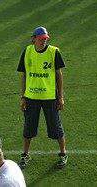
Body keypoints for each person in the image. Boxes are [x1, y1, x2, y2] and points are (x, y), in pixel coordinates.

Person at [18, 26, 67, 169]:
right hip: (31, 97)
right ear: (34, 39)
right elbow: (23, 75)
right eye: (40, 39)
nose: (43, 42)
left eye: (45, 39)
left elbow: (59, 75)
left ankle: (63, 154)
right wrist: (22, 96)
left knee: (55, 127)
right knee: (29, 128)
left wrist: (60, 97)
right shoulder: (27, 51)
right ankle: (25, 154)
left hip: (50, 97)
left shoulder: (54, 52)